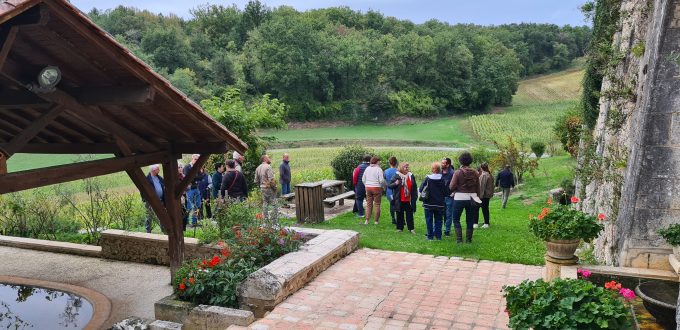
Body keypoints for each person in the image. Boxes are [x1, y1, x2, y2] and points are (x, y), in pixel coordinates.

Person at [449, 152, 481, 243]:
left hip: (459, 198)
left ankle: (459, 240)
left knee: (456, 219)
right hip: (472, 198)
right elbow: (478, 187)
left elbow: (451, 186)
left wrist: (457, 188)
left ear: (460, 161)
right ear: (470, 161)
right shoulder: (475, 172)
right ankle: (468, 240)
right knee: (470, 219)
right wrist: (478, 198)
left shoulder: (458, 172)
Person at [420, 162, 447, 240]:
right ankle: (438, 237)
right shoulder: (442, 179)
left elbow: (421, 189)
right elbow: (445, 192)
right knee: (439, 220)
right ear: (439, 170)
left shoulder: (427, 178)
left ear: (432, 169)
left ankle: (430, 236)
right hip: (439, 204)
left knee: (429, 220)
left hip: (428, 203)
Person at [389, 162, 417, 233]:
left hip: (408, 199)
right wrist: (395, 183)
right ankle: (400, 228)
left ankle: (411, 229)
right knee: (399, 214)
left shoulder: (411, 175)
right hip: (399, 199)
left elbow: (414, 187)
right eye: (405, 167)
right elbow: (390, 186)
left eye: (408, 167)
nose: (407, 168)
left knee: (409, 214)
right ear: (401, 168)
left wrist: (415, 197)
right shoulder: (397, 175)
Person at [255, 154, 277, 223]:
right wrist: (274, 187)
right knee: (274, 204)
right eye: (268, 158)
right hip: (269, 188)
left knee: (265, 203)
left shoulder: (258, 168)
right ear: (264, 159)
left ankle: (265, 220)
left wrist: (261, 186)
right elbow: (271, 180)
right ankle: (274, 221)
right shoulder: (268, 167)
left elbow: (256, 180)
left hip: (262, 188)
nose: (269, 159)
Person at [362, 156, 385, 225]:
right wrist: (382, 186)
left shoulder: (367, 168)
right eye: (379, 161)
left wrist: (366, 185)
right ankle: (376, 221)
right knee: (377, 204)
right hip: (376, 188)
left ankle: (367, 220)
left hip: (368, 187)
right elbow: (381, 180)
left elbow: (363, 179)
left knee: (369, 204)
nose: (380, 162)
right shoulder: (379, 169)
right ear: (377, 161)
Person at [143, 164, 165, 233]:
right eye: (158, 169)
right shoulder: (147, 179)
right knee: (149, 215)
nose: (159, 170)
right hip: (150, 201)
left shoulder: (159, 178)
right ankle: (148, 231)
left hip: (160, 200)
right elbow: (142, 190)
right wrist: (145, 200)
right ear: (153, 170)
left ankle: (164, 230)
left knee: (162, 214)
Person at [183, 154, 202, 227]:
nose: (197, 161)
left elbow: (201, 177)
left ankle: (194, 222)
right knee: (189, 206)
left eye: (198, 160)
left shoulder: (197, 167)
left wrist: (194, 178)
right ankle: (187, 222)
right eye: (195, 159)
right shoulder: (187, 167)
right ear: (192, 159)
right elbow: (188, 178)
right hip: (190, 188)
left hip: (196, 188)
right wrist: (195, 178)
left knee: (197, 205)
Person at [477, 163, 495, 229]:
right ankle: (486, 222)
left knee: (484, 209)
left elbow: (482, 186)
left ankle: (486, 223)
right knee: (485, 208)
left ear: (481, 168)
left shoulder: (484, 175)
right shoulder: (489, 174)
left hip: (484, 195)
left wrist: (479, 196)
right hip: (487, 195)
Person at [441, 157, 454, 236]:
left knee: (449, 214)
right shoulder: (439, 172)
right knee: (441, 214)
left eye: (443, 163)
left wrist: (454, 192)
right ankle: (439, 229)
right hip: (441, 197)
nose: (441, 164)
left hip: (449, 197)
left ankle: (447, 231)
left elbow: (457, 184)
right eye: (441, 163)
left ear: (448, 165)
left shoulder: (452, 173)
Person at [384, 156, 399, 225]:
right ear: (396, 162)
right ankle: (399, 218)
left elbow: (384, 181)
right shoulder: (398, 171)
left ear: (389, 163)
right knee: (398, 204)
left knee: (391, 204)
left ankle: (393, 218)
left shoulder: (386, 171)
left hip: (389, 191)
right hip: (397, 191)